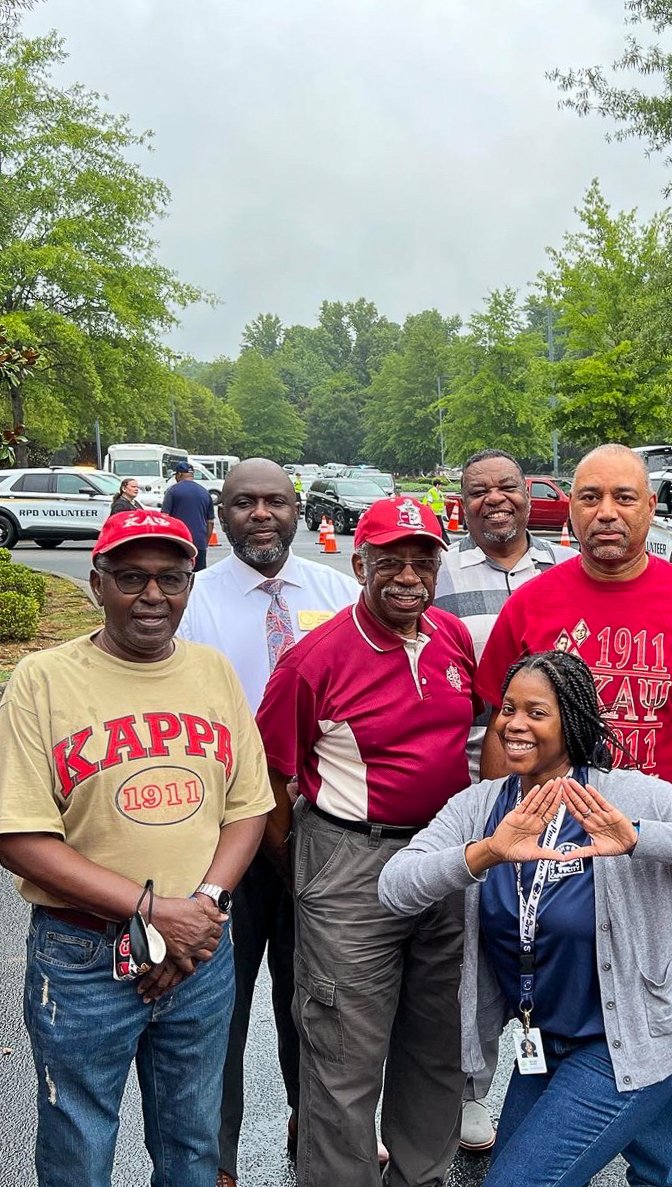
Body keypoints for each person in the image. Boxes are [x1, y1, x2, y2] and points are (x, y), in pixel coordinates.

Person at [475, 442, 672, 1184]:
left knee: (660, 1025)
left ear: (650, 508)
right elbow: (501, 730)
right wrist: (495, 844)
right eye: (590, 496)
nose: (607, 512)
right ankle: (550, 1156)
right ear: (567, 508)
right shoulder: (532, 604)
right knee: (549, 1013)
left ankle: (655, 1173)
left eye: (624, 497)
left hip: (658, 862)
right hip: (549, 857)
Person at [377, 650, 672, 1187]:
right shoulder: (483, 806)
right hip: (543, 1045)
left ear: (572, 722)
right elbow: (394, 887)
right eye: (507, 709)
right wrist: (485, 852)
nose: (514, 724)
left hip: (624, 1048)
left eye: (536, 712)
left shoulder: (623, 795)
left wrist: (639, 839)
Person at [0, 509, 273, 1187]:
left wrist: (200, 909)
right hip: (83, 955)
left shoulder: (211, 672)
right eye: (131, 577)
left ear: (189, 584)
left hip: (201, 951)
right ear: (97, 583)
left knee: (192, 1141)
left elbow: (249, 808)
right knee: (79, 1148)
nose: (153, 595)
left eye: (171, 578)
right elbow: (17, 833)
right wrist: (155, 911)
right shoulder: (42, 679)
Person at [255, 495, 481, 1187]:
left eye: (422, 560)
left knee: (435, 1039)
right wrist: (308, 870)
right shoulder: (313, 659)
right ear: (359, 563)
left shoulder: (450, 638)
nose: (408, 575)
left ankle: (420, 1173)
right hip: (350, 860)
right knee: (343, 1053)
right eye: (390, 561)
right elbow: (269, 778)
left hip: (441, 859)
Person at [176, 459, 358, 1187]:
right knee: (216, 1002)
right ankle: (214, 1153)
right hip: (225, 833)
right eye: (244, 501)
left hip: (322, 830)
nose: (261, 514)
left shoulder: (340, 593)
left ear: (296, 509)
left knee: (316, 994)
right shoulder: (195, 604)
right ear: (220, 513)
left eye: (275, 502)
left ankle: (311, 1122)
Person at [433, 447, 576, 1151]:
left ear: (530, 494)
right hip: (475, 791)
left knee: (553, 945)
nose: (494, 498)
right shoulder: (437, 574)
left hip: (570, 798)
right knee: (478, 950)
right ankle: (470, 1089)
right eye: (478, 489)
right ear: (460, 502)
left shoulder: (567, 570)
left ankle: (553, 1085)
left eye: (507, 486)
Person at [162, 460, 215, 571]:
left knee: (177, 575)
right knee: (198, 577)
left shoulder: (172, 491)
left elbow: (165, 517)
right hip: (199, 543)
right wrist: (205, 542)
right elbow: (210, 522)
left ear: (179, 474)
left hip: (178, 542)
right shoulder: (205, 492)